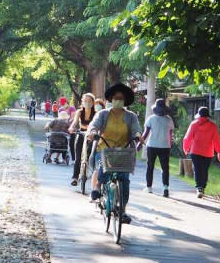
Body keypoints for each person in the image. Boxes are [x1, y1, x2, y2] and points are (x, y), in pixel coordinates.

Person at [87, 83, 143, 224]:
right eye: (116, 98)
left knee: (124, 181)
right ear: (111, 100)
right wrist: (93, 132)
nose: (118, 100)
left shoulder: (131, 116)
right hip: (104, 149)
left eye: (121, 98)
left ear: (124, 101)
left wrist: (138, 134)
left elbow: (137, 129)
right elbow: (94, 125)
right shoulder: (103, 114)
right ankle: (98, 185)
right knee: (103, 167)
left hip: (124, 151)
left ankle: (122, 210)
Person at [183, 107, 220, 198]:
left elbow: (187, 137)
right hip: (208, 153)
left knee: (197, 169)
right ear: (207, 116)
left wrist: (186, 148)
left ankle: (199, 188)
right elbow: (216, 140)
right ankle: (203, 187)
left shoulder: (194, 124)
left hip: (195, 151)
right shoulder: (213, 126)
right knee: (204, 170)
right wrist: (219, 152)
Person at [141, 98, 174, 197]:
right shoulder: (169, 119)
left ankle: (149, 187)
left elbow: (146, 133)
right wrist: (170, 144)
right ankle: (165, 188)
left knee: (150, 167)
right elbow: (170, 134)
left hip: (152, 146)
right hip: (165, 147)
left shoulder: (151, 119)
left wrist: (139, 144)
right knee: (165, 168)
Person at [68, 93, 96, 186]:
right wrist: (72, 128)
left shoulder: (96, 114)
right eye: (85, 101)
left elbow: (97, 125)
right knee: (78, 157)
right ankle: (75, 177)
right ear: (82, 102)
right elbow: (75, 123)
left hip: (91, 136)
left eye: (90, 101)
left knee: (91, 156)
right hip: (81, 134)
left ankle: (94, 176)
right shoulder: (79, 112)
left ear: (93, 103)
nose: (87, 103)